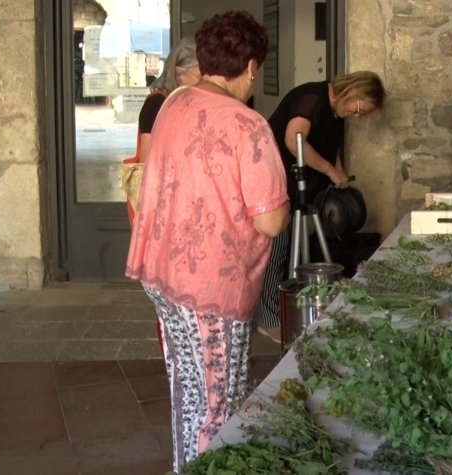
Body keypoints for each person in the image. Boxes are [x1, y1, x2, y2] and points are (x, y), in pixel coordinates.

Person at [124, 11, 290, 470]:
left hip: (161, 272)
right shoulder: (246, 124)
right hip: (210, 287)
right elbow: (273, 222)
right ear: (253, 67)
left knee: (187, 391)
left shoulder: (174, 101)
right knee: (219, 407)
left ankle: (184, 466)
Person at [253, 71, 386, 334]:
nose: (358, 114)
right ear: (353, 91)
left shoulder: (336, 113)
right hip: (276, 184)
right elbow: (294, 140)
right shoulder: (312, 98)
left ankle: (286, 310)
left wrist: (340, 174)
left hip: (297, 189)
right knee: (275, 252)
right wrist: (329, 171)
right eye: (359, 107)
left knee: (287, 249)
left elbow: (329, 147)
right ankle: (268, 320)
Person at [123, 36, 200, 224]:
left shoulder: (184, 101)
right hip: (159, 203)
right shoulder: (157, 103)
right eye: (199, 75)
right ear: (178, 72)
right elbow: (146, 161)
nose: (201, 83)